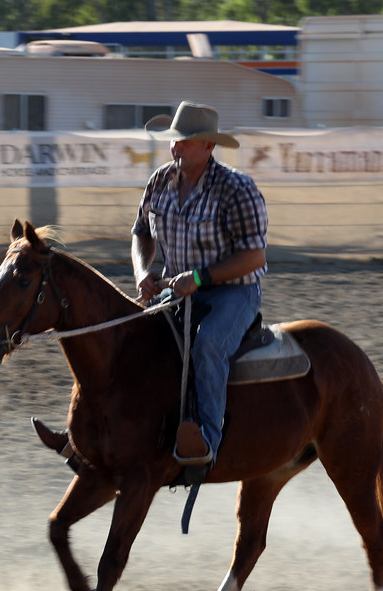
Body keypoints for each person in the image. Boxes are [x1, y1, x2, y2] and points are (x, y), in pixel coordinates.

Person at [131, 101, 267, 468]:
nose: (176, 147)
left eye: (186, 141)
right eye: (174, 140)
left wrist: (200, 277)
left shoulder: (236, 189)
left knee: (207, 345)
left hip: (233, 291)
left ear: (209, 146)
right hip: (175, 287)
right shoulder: (159, 180)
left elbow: (254, 257)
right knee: (129, 337)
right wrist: (143, 272)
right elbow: (141, 233)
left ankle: (207, 440)